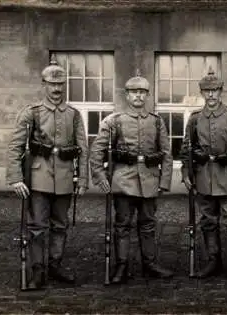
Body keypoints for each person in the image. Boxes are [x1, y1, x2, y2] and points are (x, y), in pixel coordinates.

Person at [6, 57, 89, 290]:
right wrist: (15, 178)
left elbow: (83, 148)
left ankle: (55, 265)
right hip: (38, 178)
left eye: (60, 84)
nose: (56, 89)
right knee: (37, 227)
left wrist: (82, 179)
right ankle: (37, 271)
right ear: (43, 84)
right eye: (52, 84)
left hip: (64, 179)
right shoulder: (31, 113)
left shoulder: (73, 114)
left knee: (61, 226)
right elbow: (15, 147)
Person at [89, 70, 174, 284]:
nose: (138, 96)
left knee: (148, 224)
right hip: (123, 180)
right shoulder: (114, 121)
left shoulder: (156, 122)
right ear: (126, 95)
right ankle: (122, 265)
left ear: (147, 96)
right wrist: (100, 177)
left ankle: (150, 263)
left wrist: (164, 182)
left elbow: (166, 153)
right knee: (122, 224)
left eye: (142, 92)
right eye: (134, 92)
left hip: (149, 180)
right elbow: (97, 151)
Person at [179, 67, 227, 286]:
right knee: (208, 222)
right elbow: (186, 149)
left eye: (215, 90)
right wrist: (186, 173)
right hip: (203, 177)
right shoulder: (194, 119)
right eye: (207, 91)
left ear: (221, 91)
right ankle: (213, 260)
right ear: (202, 93)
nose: (211, 95)